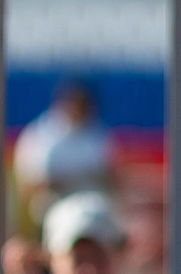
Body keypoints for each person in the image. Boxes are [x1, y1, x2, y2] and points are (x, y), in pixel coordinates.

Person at [13, 78, 114, 221]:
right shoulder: (41, 136)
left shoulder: (97, 134)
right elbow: (32, 185)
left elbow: (112, 177)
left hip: (92, 212)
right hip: (52, 213)